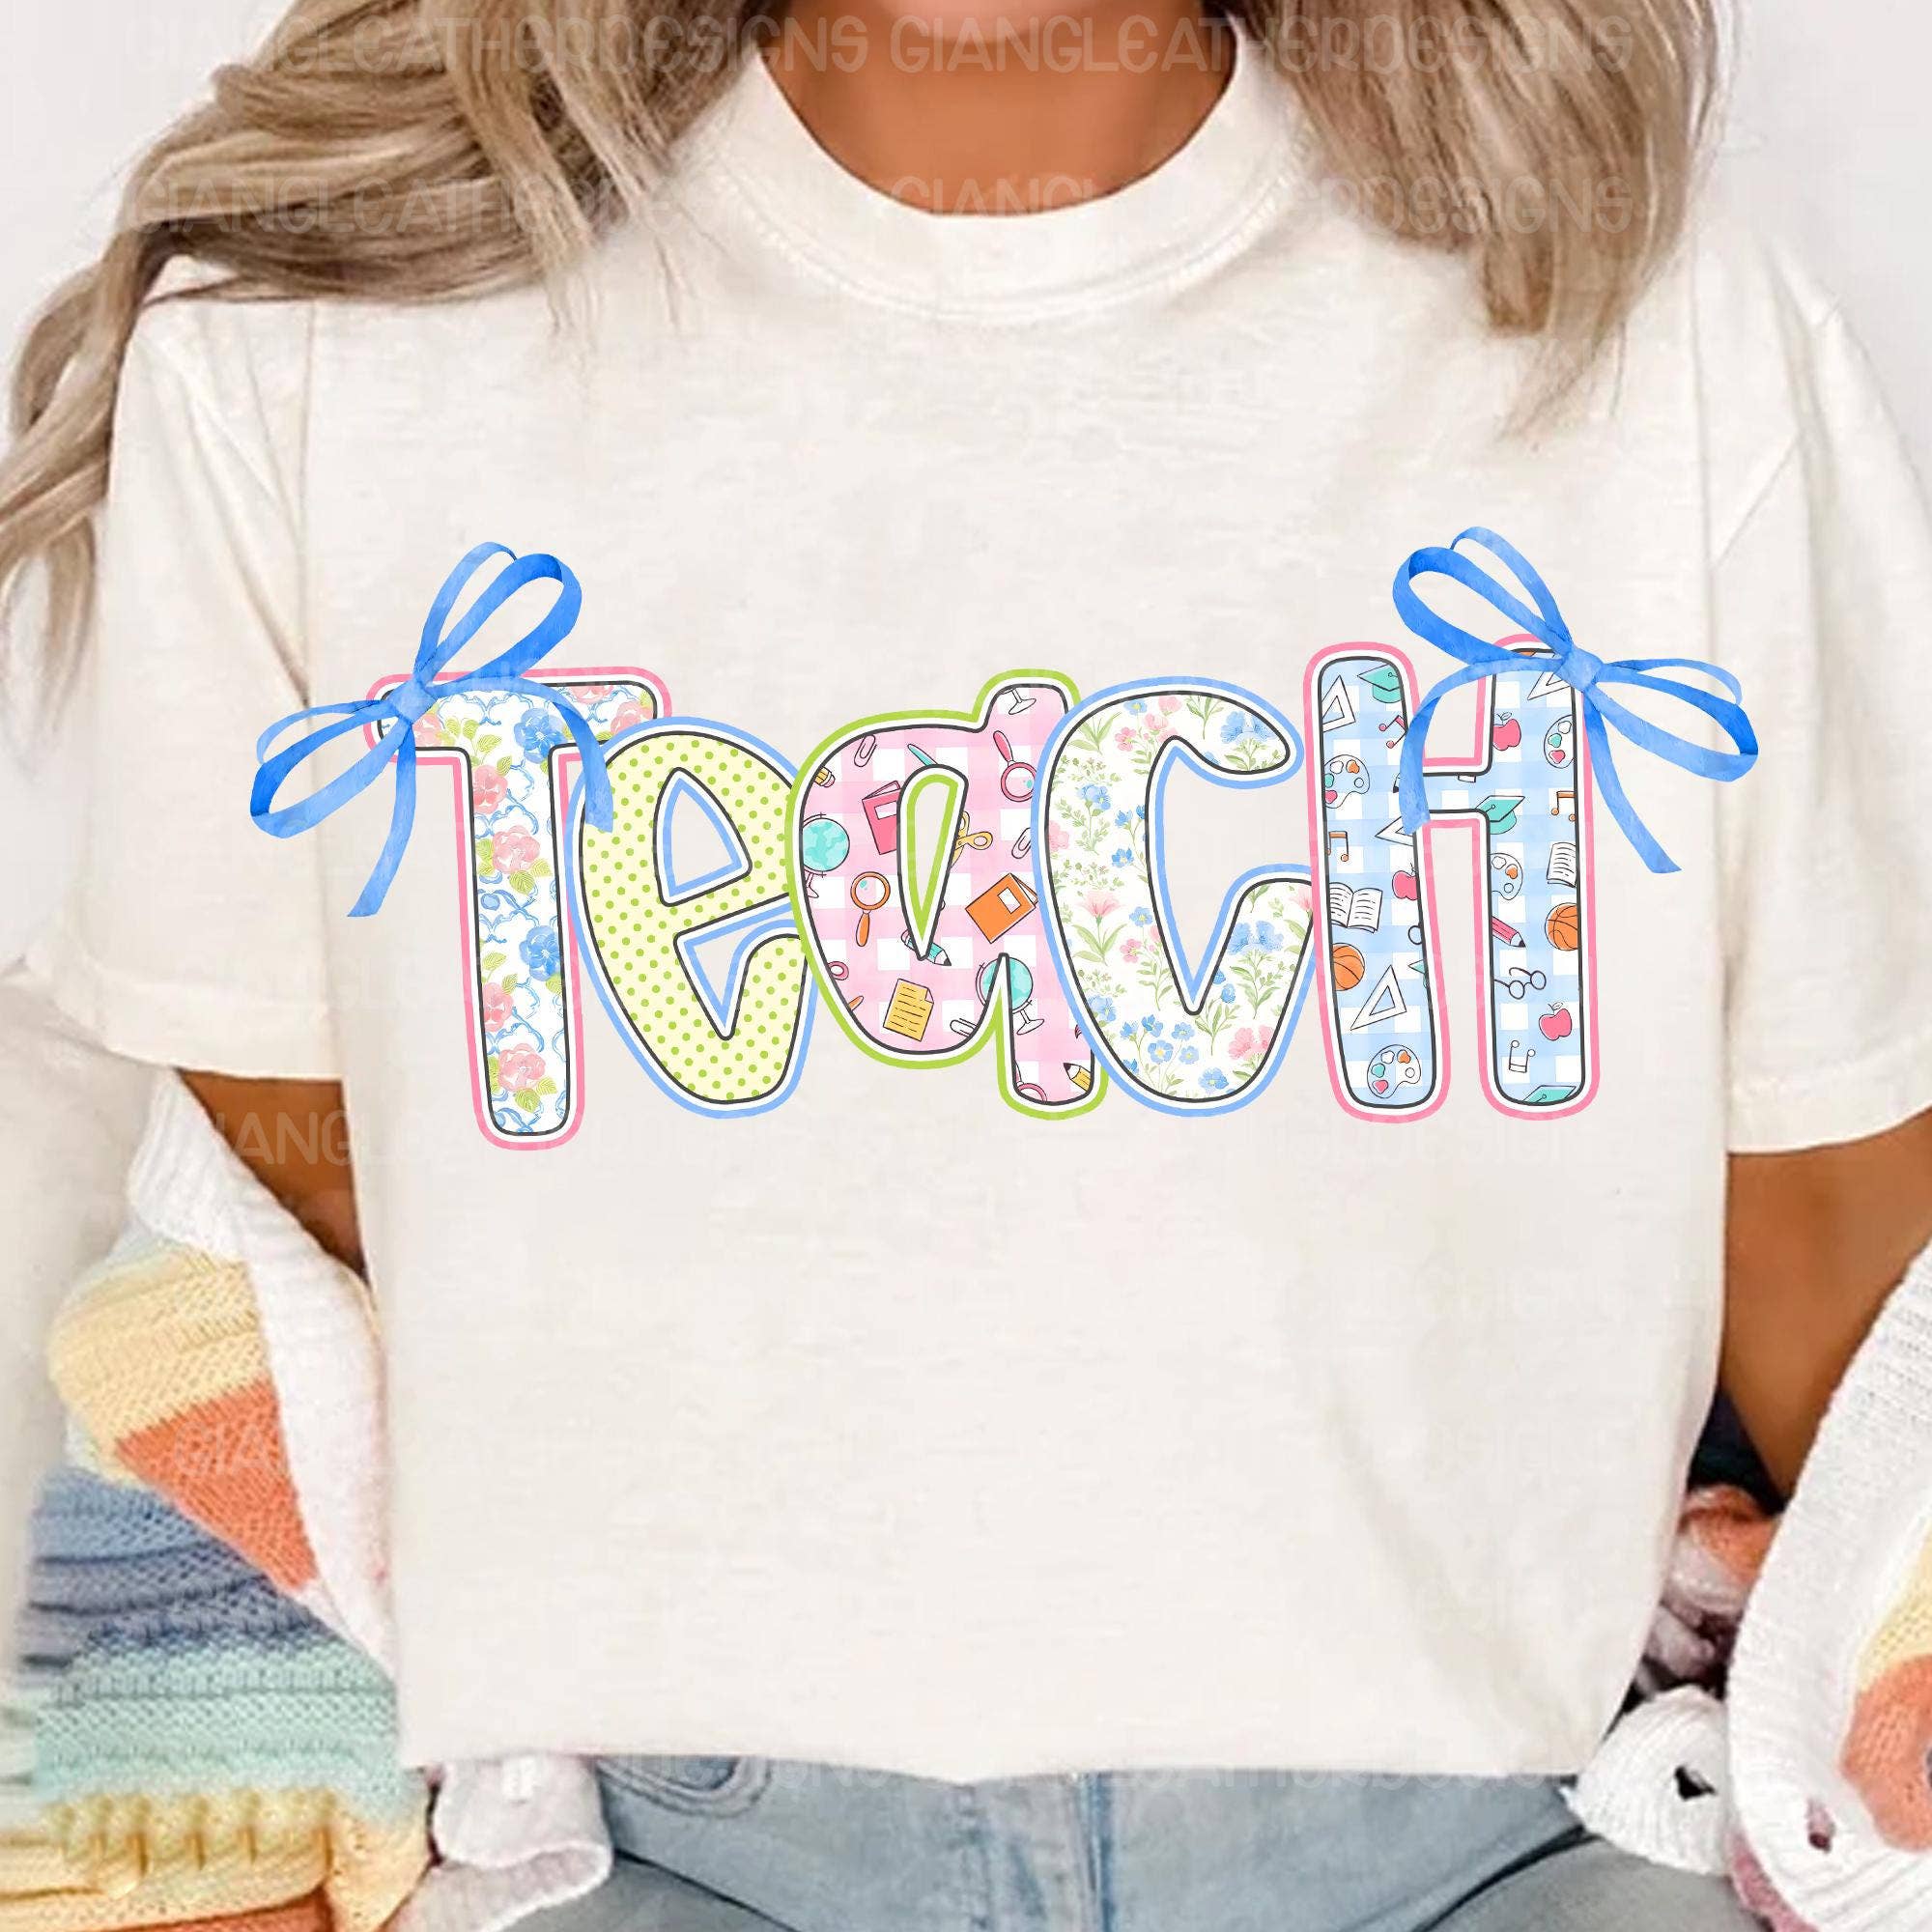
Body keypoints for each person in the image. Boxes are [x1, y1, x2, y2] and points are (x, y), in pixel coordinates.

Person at [5, 0, 1931, 1925]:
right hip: (658, 1852)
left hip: (1510, 1841)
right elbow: (268, 1261)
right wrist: (209, 1814)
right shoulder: (304, 351)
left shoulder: (1663, 329)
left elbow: (1839, 1254)